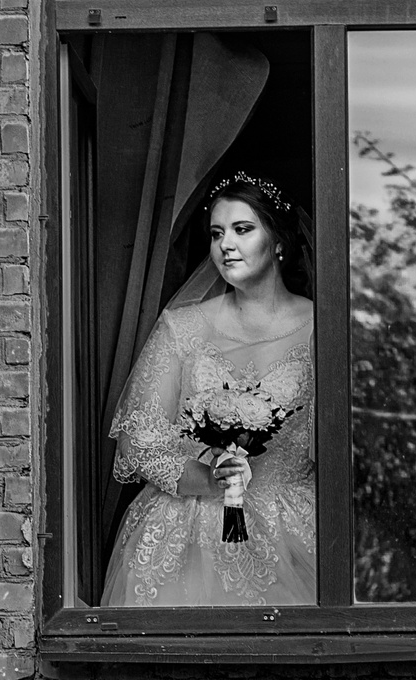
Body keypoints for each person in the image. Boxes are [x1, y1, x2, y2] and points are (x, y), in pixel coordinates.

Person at [100, 171, 316, 609]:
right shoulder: (182, 327)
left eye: (242, 229)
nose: (225, 245)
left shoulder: (322, 327)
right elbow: (136, 439)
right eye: (217, 233)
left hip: (289, 524)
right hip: (185, 525)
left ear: (278, 242)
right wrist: (208, 478)